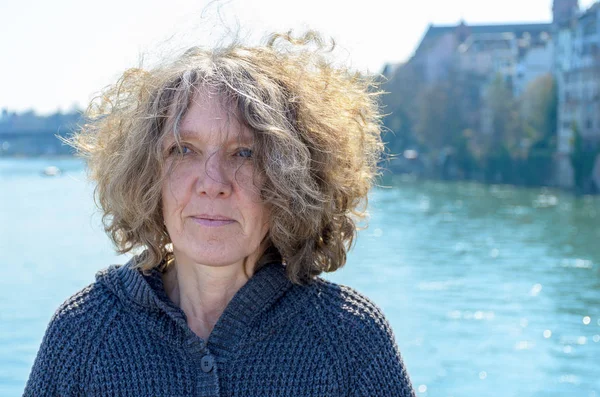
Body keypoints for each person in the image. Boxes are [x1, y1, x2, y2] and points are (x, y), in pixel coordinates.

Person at [24, 31, 416, 396]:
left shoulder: (350, 339)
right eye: (183, 150)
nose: (213, 182)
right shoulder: (82, 333)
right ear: (147, 175)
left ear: (292, 180)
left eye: (244, 153)